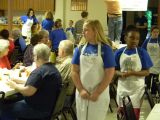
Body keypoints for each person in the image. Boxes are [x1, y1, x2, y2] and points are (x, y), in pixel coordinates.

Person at [0, 43, 62, 120]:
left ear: (37, 57)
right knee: (15, 99)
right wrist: (19, 81)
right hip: (49, 108)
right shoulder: (53, 69)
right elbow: (38, 84)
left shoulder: (39, 72)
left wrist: (14, 85)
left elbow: (28, 92)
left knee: (4, 109)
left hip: (37, 109)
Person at [71, 19, 115, 120]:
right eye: (83, 30)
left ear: (95, 31)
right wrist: (81, 89)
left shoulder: (106, 49)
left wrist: (97, 92)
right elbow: (74, 71)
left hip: (99, 94)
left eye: (86, 30)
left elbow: (109, 73)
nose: (83, 32)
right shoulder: (80, 48)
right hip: (82, 93)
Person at [114, 26, 153, 120]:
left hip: (137, 90)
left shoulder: (142, 52)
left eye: (137, 39)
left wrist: (133, 73)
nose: (135, 41)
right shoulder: (118, 53)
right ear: (125, 38)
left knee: (134, 115)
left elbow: (147, 72)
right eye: (132, 37)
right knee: (122, 115)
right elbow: (113, 70)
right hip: (122, 88)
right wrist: (121, 74)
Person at [141, 26, 160, 95]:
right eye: (154, 32)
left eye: (157, 32)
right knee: (147, 79)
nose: (156, 33)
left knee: (155, 80)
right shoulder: (147, 40)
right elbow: (142, 50)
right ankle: (146, 93)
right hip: (148, 62)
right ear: (151, 32)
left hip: (157, 62)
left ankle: (153, 93)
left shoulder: (159, 40)